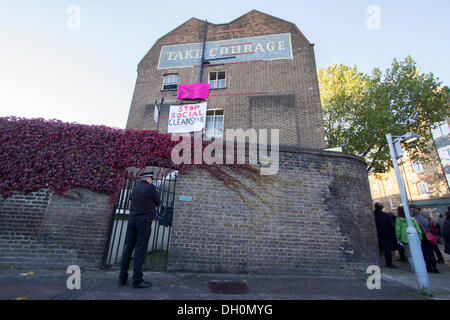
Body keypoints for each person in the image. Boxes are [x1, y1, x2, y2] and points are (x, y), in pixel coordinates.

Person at [119, 172, 161, 288]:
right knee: (140, 250)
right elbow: (158, 201)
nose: (152, 181)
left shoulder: (135, 189)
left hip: (132, 221)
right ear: (147, 179)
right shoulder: (150, 188)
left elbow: (131, 199)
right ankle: (137, 280)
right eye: (151, 179)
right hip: (143, 222)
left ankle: (122, 277)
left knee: (128, 248)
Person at [411, 205, 439, 273]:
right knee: (431, 252)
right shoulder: (425, 218)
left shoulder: (414, 219)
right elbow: (431, 226)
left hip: (421, 237)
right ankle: (434, 267)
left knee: (424, 252)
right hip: (428, 236)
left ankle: (429, 266)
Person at [395, 206, 422, 272]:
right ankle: (419, 266)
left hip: (405, 237)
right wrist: (420, 237)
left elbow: (398, 229)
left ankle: (413, 268)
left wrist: (398, 237)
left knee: (408, 254)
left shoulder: (398, 219)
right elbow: (417, 228)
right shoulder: (412, 219)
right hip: (415, 237)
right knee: (417, 252)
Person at [373, 202, 397, 268]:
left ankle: (378, 263)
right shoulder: (385, 215)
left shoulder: (373, 215)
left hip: (377, 234)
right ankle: (389, 263)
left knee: (378, 249)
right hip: (386, 234)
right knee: (387, 250)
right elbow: (391, 225)